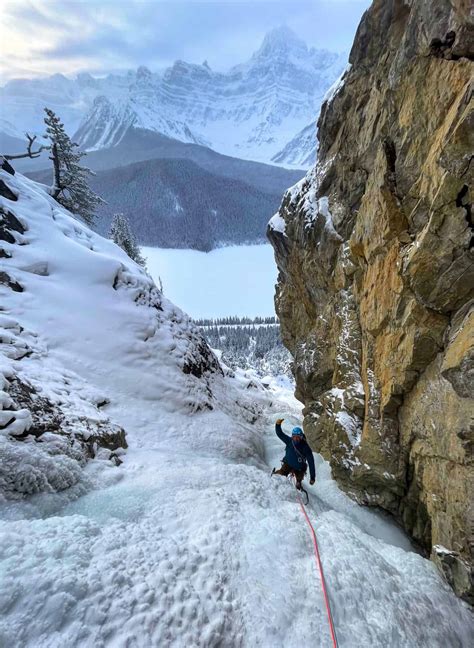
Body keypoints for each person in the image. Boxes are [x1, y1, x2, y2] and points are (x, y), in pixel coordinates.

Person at [272, 418, 315, 490]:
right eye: (294, 437)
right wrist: (278, 425)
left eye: (298, 437)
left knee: (299, 478)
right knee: (281, 474)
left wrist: (312, 477)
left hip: (299, 468)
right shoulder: (289, 441)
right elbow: (280, 434)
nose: (296, 439)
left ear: (301, 437)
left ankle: (298, 483)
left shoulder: (306, 448)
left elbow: (311, 463)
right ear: (292, 436)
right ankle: (275, 477)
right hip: (289, 464)